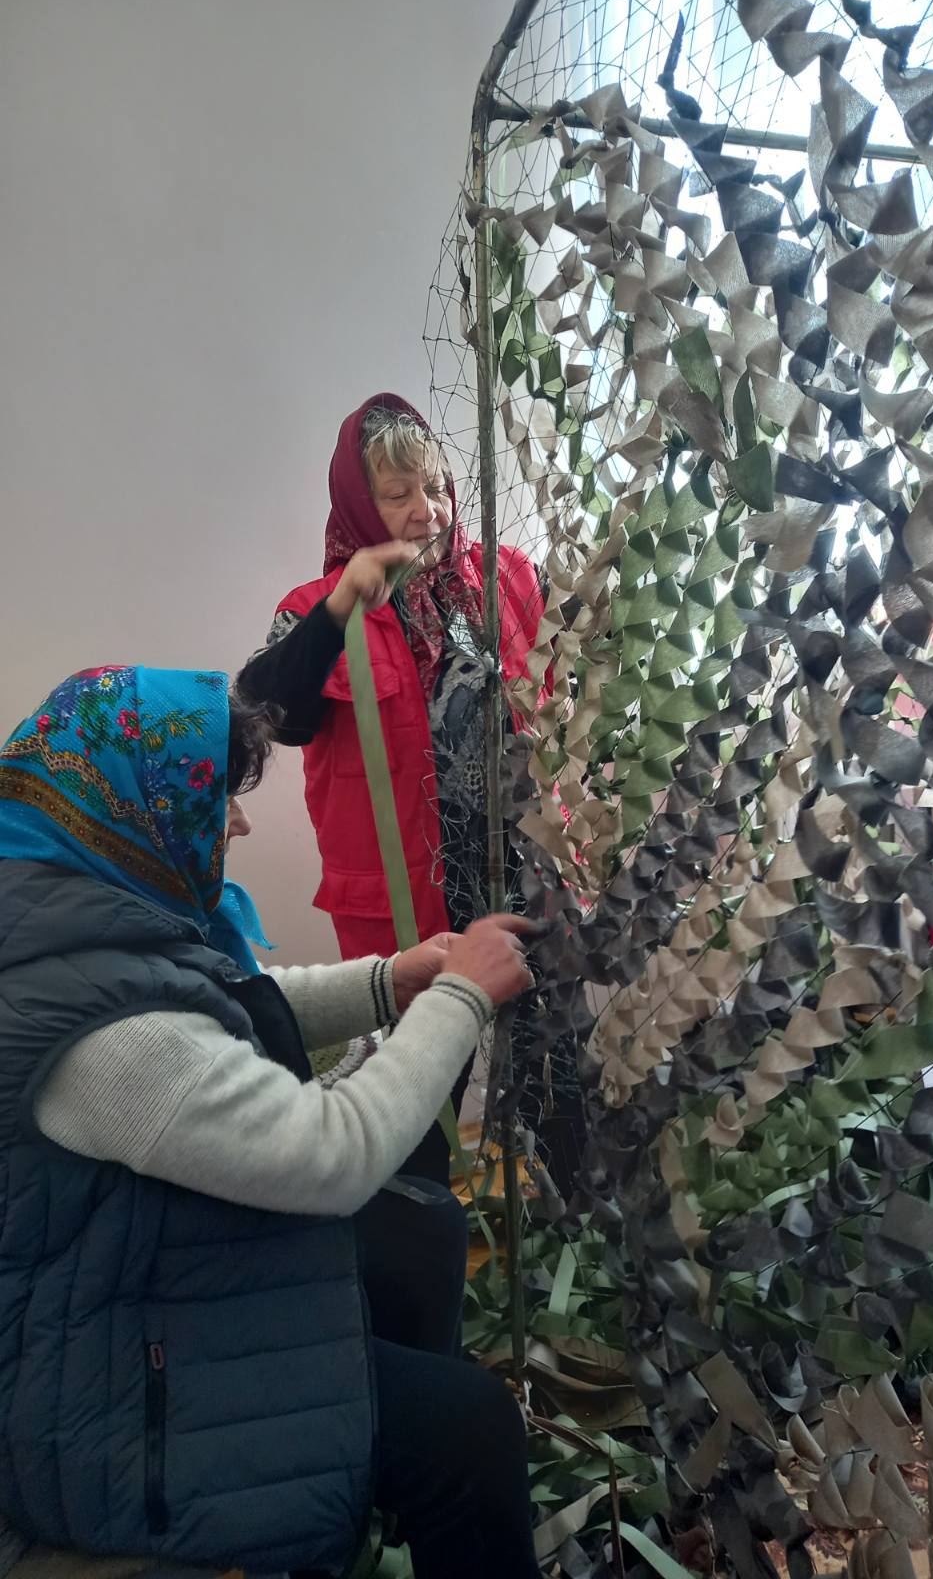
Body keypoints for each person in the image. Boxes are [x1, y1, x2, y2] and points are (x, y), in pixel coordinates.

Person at [0, 663, 541, 1579]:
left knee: (419, 1233)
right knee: (472, 1429)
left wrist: (390, 980)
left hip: (132, 1261)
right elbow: (331, 1155)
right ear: (136, 808)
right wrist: (461, 998)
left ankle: (364, 1446)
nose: (241, 824)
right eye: (219, 799)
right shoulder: (106, 1043)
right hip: (103, 1390)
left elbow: (224, 999)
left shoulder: (64, 913)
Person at [238, 393, 583, 1190]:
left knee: (558, 1063)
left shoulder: (505, 578)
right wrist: (340, 608)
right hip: (402, 905)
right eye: (398, 495)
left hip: (521, 871)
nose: (427, 511)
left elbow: (574, 682)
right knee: (417, 1100)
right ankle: (419, 1232)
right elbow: (265, 713)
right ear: (360, 507)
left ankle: (576, 1216)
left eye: (436, 487)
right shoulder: (317, 609)